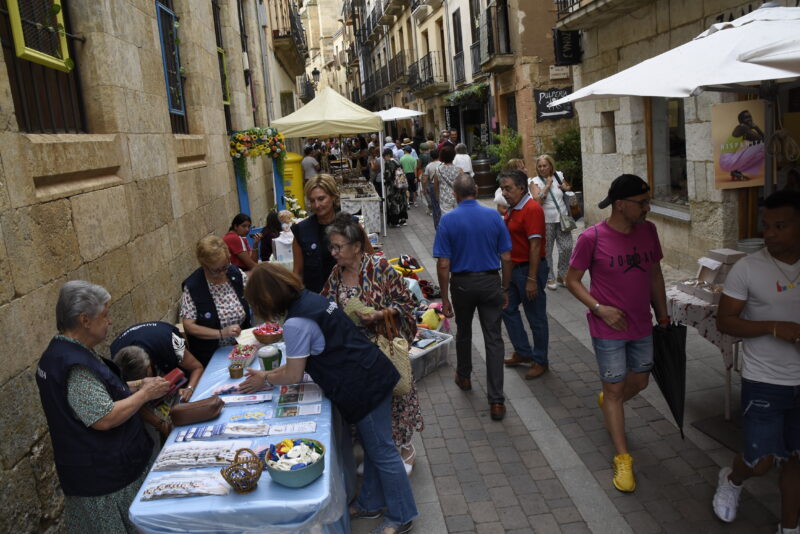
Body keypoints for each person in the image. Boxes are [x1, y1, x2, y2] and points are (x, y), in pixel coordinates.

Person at [238, 264, 418, 534]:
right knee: (375, 449)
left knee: (383, 451)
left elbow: (294, 374)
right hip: (370, 373)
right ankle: (370, 502)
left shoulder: (296, 323)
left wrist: (264, 378)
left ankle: (401, 516)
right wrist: (269, 374)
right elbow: (296, 365)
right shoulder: (309, 299)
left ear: (265, 300)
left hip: (363, 386)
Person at [36, 281, 170, 534]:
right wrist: (144, 394)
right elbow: (104, 417)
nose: (109, 321)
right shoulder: (73, 365)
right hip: (104, 479)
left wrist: (139, 384)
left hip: (103, 472)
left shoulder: (65, 351)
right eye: (104, 315)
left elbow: (102, 393)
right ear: (85, 320)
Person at [564, 173, 668, 493]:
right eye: (642, 202)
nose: (647, 208)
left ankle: (611, 401)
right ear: (621, 205)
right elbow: (572, 280)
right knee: (613, 390)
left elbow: (654, 275)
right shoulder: (591, 238)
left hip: (641, 324)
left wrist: (663, 315)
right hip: (607, 327)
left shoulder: (649, 231)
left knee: (640, 380)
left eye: (648, 201)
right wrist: (600, 309)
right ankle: (623, 457)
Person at [712, 190, 800, 532]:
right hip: (765, 379)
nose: (771, 233)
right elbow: (725, 321)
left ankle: (789, 527)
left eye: (781, 225)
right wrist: (774, 327)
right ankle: (733, 479)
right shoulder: (748, 268)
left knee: (795, 457)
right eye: (767, 225)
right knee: (761, 461)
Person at [321, 213, 424, 474]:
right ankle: (376, 450)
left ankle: (406, 448)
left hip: (383, 350)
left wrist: (380, 315)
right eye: (331, 246)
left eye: (338, 246)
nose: (333, 252)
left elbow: (408, 302)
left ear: (355, 247)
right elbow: (326, 305)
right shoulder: (336, 273)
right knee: (368, 407)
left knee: (394, 402)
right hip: (356, 356)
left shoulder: (380, 268)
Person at [434, 173, 512, 421]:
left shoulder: (448, 220)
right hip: (490, 282)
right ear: (476, 191)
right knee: (494, 339)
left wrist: (444, 298)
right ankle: (497, 400)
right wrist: (505, 288)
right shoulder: (494, 216)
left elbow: (444, 264)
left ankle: (464, 376)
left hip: (463, 284)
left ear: (455, 195)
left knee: (464, 332)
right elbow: (507, 257)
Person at [112, 321, 204, 441]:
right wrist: (159, 424)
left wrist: (189, 388)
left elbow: (197, 367)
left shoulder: (171, 342)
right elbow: (131, 400)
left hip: (163, 343)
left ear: (149, 365)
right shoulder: (116, 360)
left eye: (146, 379)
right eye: (139, 384)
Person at [499, 170, 550, 379]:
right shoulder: (513, 208)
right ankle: (523, 351)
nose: (504, 193)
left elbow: (535, 245)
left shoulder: (532, 209)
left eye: (508, 188)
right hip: (514, 269)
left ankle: (540, 360)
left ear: (521, 187)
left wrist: (531, 279)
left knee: (536, 317)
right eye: (502, 189)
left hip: (529, 270)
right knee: (507, 308)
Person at [181, 236, 251, 367]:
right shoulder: (193, 286)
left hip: (241, 349)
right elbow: (188, 326)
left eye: (225, 266)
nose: (222, 273)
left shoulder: (235, 274)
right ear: (204, 265)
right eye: (216, 270)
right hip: (211, 355)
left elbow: (253, 297)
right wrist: (221, 333)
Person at [529, 155, 575, 291]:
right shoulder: (534, 181)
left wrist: (566, 188)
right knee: (547, 250)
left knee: (567, 247)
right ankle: (550, 277)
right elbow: (537, 201)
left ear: (551, 166)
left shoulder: (559, 175)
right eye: (540, 166)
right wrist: (547, 185)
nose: (542, 168)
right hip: (545, 220)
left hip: (563, 218)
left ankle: (562, 274)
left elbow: (568, 187)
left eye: (545, 165)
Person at [291, 174, 342, 293]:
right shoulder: (301, 230)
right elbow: (297, 272)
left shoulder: (351, 226)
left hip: (348, 299)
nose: (316, 205)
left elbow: (370, 262)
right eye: (312, 201)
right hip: (315, 298)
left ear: (333, 197)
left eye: (321, 199)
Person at [433, 144, 460, 221]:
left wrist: (437, 197)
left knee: (448, 220)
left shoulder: (438, 170)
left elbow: (436, 186)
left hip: (444, 197)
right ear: (453, 156)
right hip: (457, 197)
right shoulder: (459, 170)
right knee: (458, 218)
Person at [382, 148, 408, 228]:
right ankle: (402, 219)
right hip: (401, 185)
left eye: (384, 156)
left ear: (388, 155)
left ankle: (395, 221)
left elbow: (388, 175)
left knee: (394, 202)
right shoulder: (397, 161)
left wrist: (385, 180)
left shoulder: (388, 163)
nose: (384, 158)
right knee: (402, 201)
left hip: (393, 186)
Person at [421, 147, 441, 227]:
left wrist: (424, 189)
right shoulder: (442, 164)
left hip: (432, 186)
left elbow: (425, 180)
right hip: (441, 185)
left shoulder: (428, 166)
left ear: (431, 157)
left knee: (435, 205)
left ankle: (437, 224)